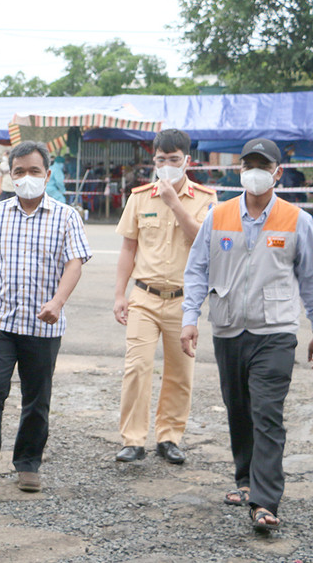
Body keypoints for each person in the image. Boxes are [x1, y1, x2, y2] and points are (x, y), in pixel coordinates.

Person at [180, 137, 313, 531]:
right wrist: (189, 318)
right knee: (239, 410)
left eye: (263, 166)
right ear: (240, 171)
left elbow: (311, 279)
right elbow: (197, 270)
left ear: (278, 173)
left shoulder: (298, 220)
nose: (255, 172)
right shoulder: (219, 216)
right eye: (249, 165)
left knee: (267, 414)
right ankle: (245, 481)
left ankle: (264, 502)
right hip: (229, 328)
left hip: (275, 331)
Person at [0, 141, 92, 496]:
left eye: (34, 171)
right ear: (10, 176)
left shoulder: (66, 216)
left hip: (43, 326)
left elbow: (75, 263)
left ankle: (28, 464)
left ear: (47, 175)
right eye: (19, 172)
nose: (27, 177)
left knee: (37, 397)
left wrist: (58, 302)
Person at [113, 129, 217, 465]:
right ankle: (133, 440)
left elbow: (204, 240)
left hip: (184, 301)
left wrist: (174, 202)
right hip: (144, 297)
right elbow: (128, 247)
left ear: (187, 160)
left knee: (180, 372)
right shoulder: (140, 197)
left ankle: (169, 437)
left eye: (174, 159)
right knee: (137, 367)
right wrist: (120, 294)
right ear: (154, 161)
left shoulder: (205, 198)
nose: (167, 165)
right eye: (161, 160)